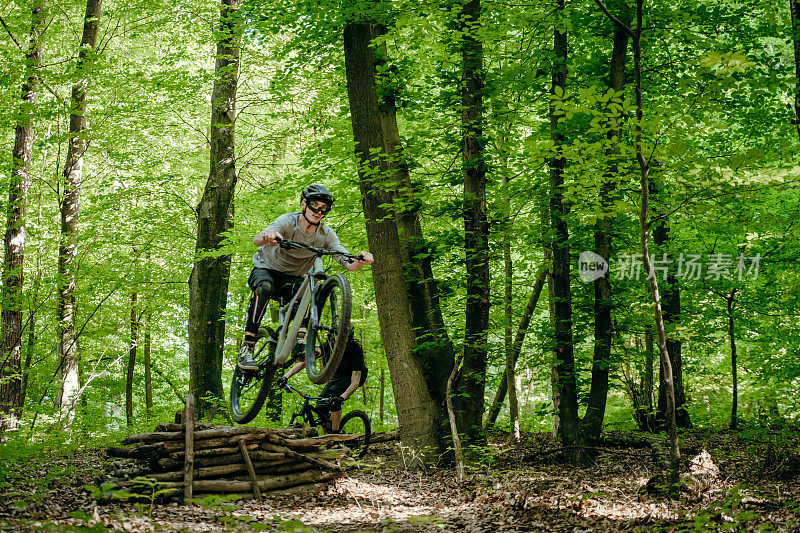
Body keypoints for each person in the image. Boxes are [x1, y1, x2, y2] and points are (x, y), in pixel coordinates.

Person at [238, 184, 373, 370]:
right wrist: (268, 236)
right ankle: (247, 346)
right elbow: (256, 239)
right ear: (303, 204)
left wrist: (361, 260)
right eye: (315, 205)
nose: (319, 211)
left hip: (292, 278)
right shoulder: (287, 221)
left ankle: (301, 341)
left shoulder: (325, 235)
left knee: (311, 290)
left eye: (324, 208)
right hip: (266, 269)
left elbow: (347, 262)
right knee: (265, 288)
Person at [277, 327, 367, 432]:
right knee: (320, 405)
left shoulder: (355, 349)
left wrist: (342, 397)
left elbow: (355, 381)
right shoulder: (328, 346)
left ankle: (335, 435)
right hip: (336, 375)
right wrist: (285, 376)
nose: (340, 339)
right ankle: (327, 429)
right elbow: (306, 362)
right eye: (338, 335)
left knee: (334, 399)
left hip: (352, 377)